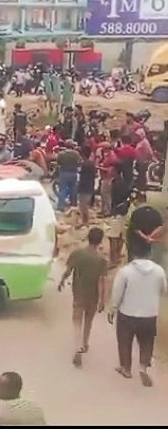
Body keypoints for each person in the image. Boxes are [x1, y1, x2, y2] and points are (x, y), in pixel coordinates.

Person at [109, 221, 167, 387]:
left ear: (133, 254)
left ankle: (125, 368)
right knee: (147, 341)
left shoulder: (125, 271)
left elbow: (117, 293)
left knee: (125, 341)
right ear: (149, 254)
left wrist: (113, 309)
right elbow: (163, 290)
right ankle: (143, 366)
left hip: (128, 313)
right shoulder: (158, 271)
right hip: (150, 314)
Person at [57, 227, 107, 368]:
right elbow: (101, 281)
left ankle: (77, 345)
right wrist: (102, 300)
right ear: (100, 241)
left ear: (88, 237)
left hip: (78, 293)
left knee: (77, 320)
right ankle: (85, 343)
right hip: (93, 296)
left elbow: (68, 270)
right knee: (88, 321)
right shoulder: (101, 260)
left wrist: (61, 282)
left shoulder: (77, 254)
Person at [56, 140, 81, 211]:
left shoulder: (61, 154)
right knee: (73, 189)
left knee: (62, 190)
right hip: (73, 173)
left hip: (64, 172)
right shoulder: (76, 154)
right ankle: (73, 205)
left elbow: (58, 163)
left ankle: (61, 206)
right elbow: (79, 163)